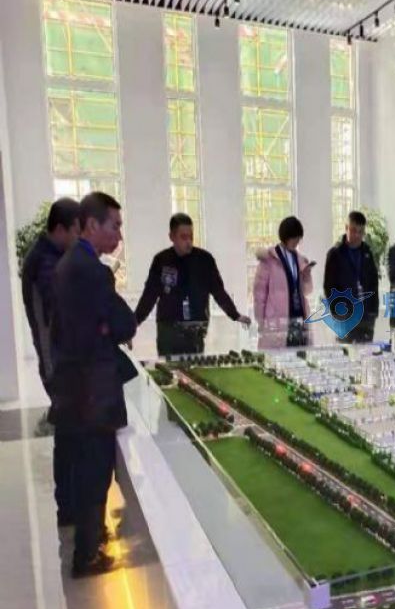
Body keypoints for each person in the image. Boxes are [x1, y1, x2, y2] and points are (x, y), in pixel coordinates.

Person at [50, 192, 137, 577]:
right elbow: (124, 324)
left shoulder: (68, 263)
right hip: (92, 391)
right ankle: (87, 554)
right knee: (94, 471)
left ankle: (89, 542)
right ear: (91, 225)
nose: (119, 235)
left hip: (76, 385)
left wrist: (105, 327)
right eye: (114, 226)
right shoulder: (92, 270)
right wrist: (107, 328)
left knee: (86, 468)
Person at [21, 197, 80, 526]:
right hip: (55, 362)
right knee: (68, 437)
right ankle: (68, 509)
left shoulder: (50, 255)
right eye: (76, 231)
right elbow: (58, 303)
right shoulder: (44, 260)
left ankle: (70, 506)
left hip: (59, 359)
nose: (78, 239)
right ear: (60, 229)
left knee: (69, 435)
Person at [135, 213, 250, 356]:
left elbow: (218, 291)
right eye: (183, 237)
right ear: (172, 237)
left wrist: (235, 315)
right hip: (168, 329)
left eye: (191, 237)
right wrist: (135, 322)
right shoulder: (162, 260)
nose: (188, 242)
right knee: (169, 367)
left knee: (194, 367)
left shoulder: (204, 260)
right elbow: (149, 295)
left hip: (195, 328)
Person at [253, 216, 314, 349]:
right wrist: (261, 322)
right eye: (295, 238)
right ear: (286, 236)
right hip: (277, 321)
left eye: (298, 238)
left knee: (300, 355)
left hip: (298, 318)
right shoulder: (269, 260)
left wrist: (307, 274)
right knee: (279, 356)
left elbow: (307, 291)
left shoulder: (300, 259)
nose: (297, 242)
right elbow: (259, 294)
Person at [323, 211, 379, 342]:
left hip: (366, 318)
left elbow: (374, 283)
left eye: (361, 231)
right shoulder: (335, 254)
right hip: (345, 316)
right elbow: (328, 287)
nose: (357, 235)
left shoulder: (367, 253)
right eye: (353, 230)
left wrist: (373, 312)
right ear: (346, 228)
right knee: (346, 352)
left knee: (366, 352)